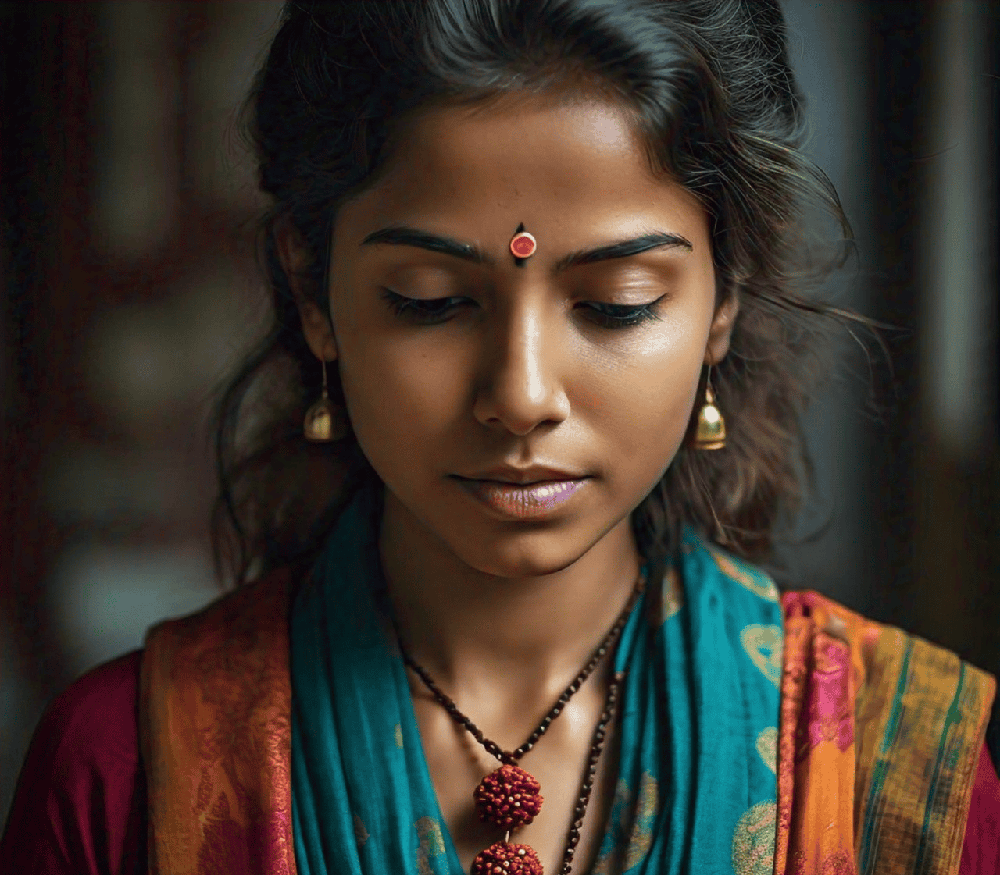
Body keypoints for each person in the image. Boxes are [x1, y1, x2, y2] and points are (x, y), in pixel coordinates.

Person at [2, 1, 998, 873]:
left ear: (723, 300)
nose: (520, 395)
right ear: (313, 292)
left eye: (615, 303)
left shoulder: (895, 774)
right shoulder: (128, 770)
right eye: (430, 302)